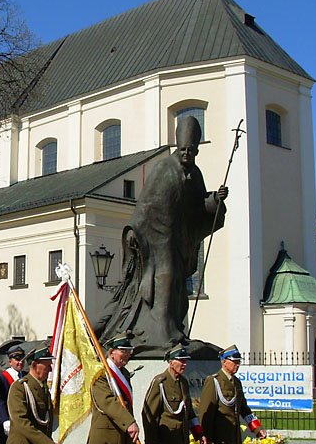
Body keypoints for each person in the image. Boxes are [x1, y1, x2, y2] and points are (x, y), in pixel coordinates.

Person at [94, 116, 228, 352]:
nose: (187, 154)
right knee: (164, 278)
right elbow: (144, 204)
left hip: (178, 237)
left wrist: (215, 200)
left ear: (196, 150)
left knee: (176, 282)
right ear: (178, 146)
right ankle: (160, 331)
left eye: (192, 150)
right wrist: (135, 230)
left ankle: (174, 329)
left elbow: (198, 206)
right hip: (155, 237)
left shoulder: (195, 174)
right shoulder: (163, 167)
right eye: (184, 149)